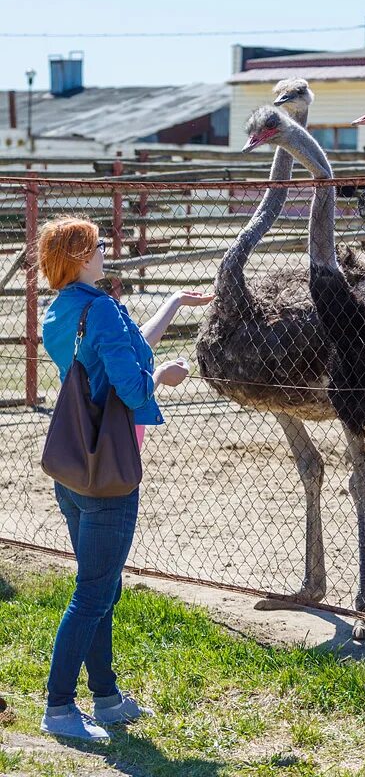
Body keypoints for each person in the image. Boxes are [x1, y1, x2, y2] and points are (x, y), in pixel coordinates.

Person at [37, 216, 213, 741]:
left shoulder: (64, 310)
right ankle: (61, 708)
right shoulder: (103, 311)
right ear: (80, 257)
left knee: (102, 588)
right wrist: (162, 379)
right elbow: (134, 390)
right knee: (92, 594)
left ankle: (107, 697)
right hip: (109, 476)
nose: (103, 250)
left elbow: (126, 348)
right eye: (94, 246)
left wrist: (174, 304)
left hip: (73, 467)